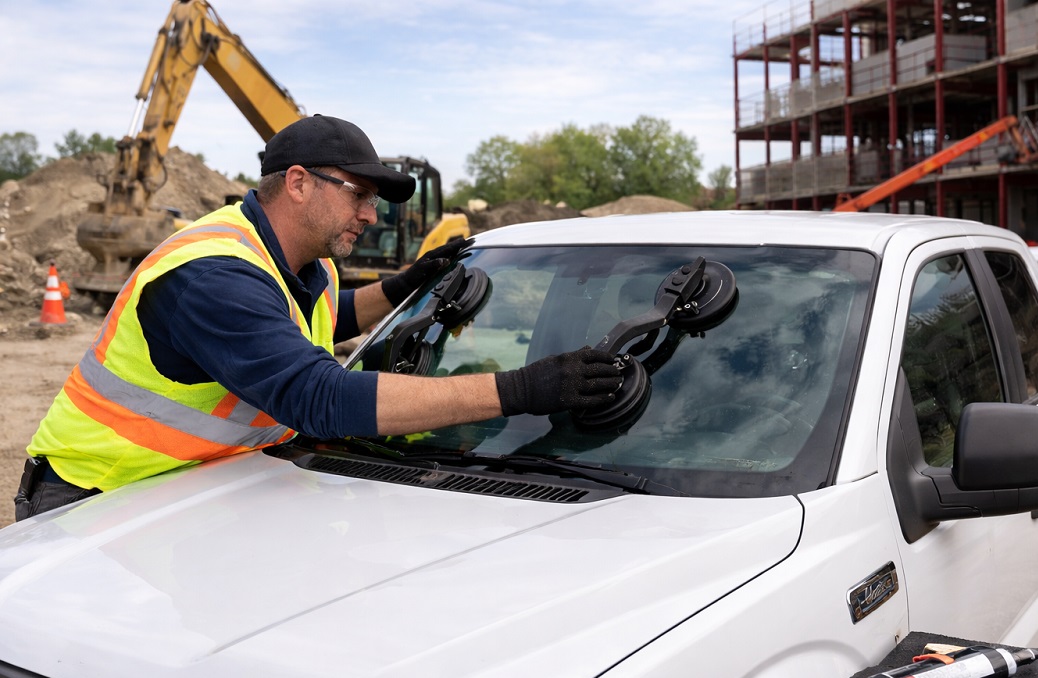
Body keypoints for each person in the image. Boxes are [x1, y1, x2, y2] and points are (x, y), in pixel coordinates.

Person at [13, 115, 621, 522]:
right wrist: (522, 388)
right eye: (358, 195)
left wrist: (402, 286)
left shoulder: (310, 264)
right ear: (299, 183)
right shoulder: (213, 275)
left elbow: (318, 323)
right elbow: (317, 396)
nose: (371, 214)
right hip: (93, 498)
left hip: (194, 490)